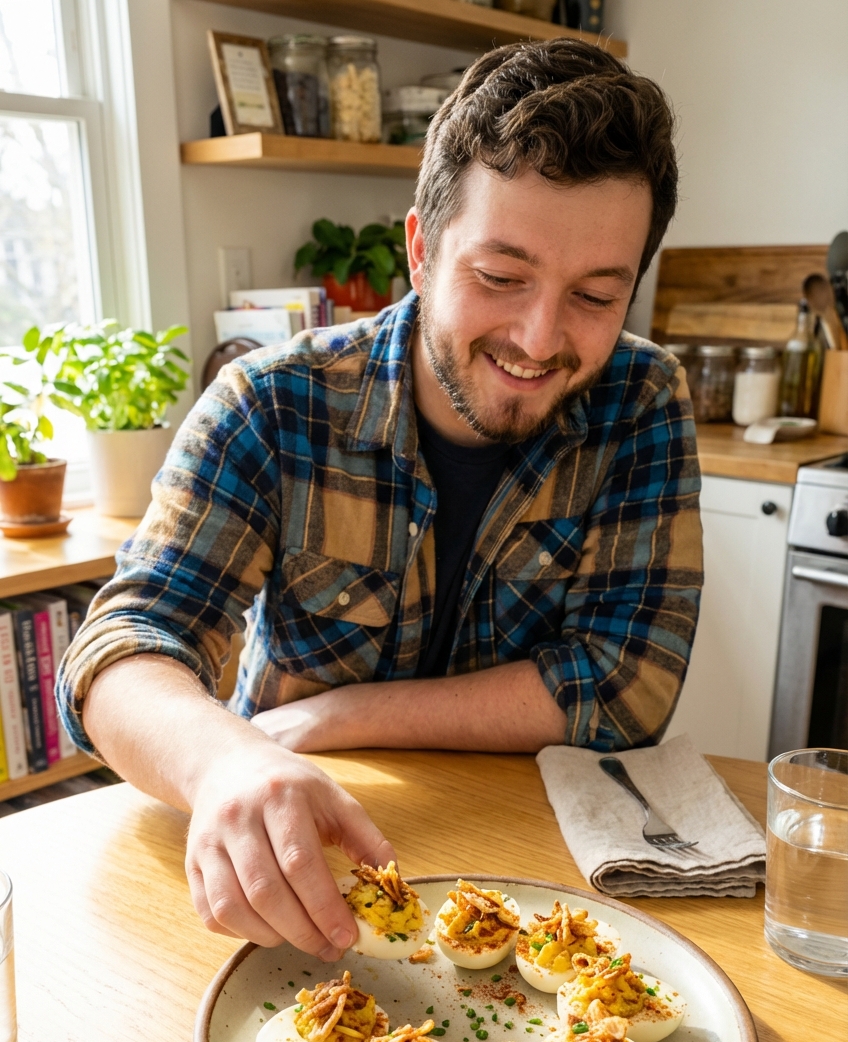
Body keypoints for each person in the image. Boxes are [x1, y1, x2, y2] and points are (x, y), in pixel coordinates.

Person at [57, 39, 702, 962]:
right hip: (295, 860)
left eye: (596, 295)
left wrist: (343, 713)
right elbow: (118, 652)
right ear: (420, 249)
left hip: (540, 885)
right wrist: (227, 757)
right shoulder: (272, 401)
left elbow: (627, 688)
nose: (539, 337)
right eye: (500, 277)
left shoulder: (644, 399)